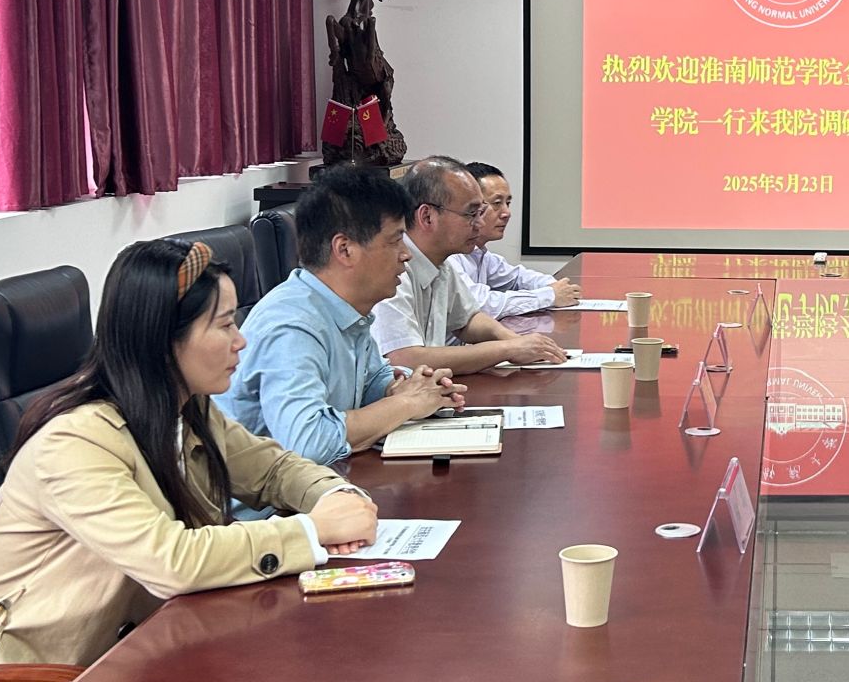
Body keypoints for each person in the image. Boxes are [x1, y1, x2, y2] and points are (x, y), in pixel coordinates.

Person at [0, 239, 380, 682]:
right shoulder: (76, 441)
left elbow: (271, 468)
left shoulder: (184, 408)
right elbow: (170, 561)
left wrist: (334, 496)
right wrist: (311, 533)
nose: (241, 340)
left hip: (125, 673)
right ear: (163, 339)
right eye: (224, 325)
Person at [218, 166, 464, 490]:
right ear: (345, 249)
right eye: (395, 241)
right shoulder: (292, 325)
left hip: (328, 488)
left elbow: (372, 381)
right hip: (268, 511)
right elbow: (308, 444)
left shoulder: (345, 307)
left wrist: (407, 386)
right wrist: (407, 403)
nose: (406, 255)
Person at [371, 156, 567, 373]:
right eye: (471, 214)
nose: (479, 223)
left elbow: (468, 319)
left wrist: (517, 341)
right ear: (427, 217)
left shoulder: (442, 263)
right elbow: (404, 358)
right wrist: (507, 349)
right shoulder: (393, 268)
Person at [450, 160, 581, 321]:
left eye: (508, 203)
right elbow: (479, 304)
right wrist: (549, 295)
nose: (507, 213)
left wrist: (555, 286)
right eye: (497, 203)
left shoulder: (481, 255)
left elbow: (518, 277)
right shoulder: (450, 256)